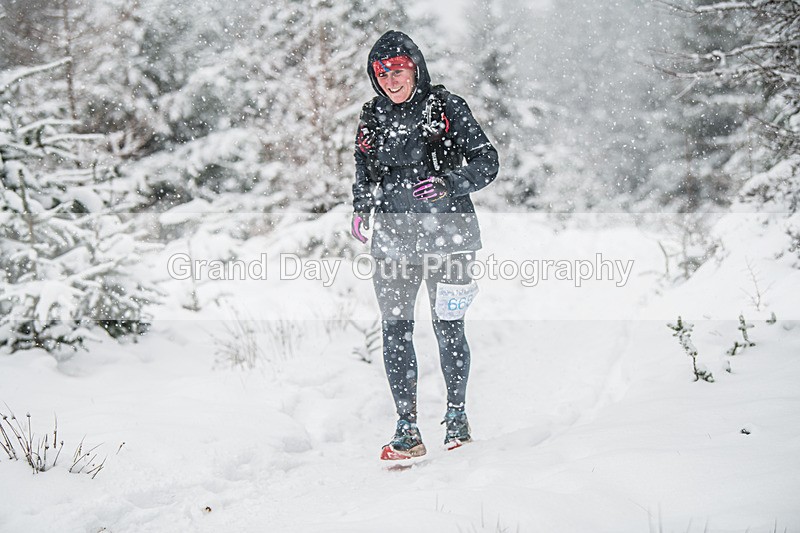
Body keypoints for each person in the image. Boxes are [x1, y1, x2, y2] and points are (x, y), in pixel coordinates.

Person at [350, 30, 499, 460]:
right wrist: (362, 206)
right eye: (382, 72)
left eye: (398, 70)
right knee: (395, 331)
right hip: (394, 242)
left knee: (448, 327)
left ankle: (456, 419)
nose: (391, 80)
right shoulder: (373, 117)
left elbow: (487, 161)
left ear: (415, 68)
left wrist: (449, 183)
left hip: (450, 238)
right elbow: (364, 170)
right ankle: (407, 428)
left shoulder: (445, 107)